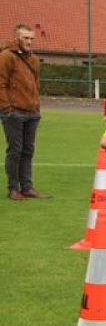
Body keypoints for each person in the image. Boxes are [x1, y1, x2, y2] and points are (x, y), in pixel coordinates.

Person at [1, 24, 50, 200]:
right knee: (15, 151)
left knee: (28, 151)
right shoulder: (6, 56)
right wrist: (7, 109)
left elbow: (36, 84)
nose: (29, 41)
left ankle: (27, 187)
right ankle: (13, 188)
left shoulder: (34, 60)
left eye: (31, 38)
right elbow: (1, 83)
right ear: (17, 38)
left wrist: (36, 106)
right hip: (13, 112)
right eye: (25, 38)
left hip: (32, 112)